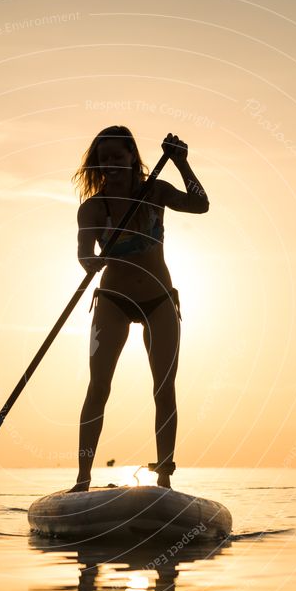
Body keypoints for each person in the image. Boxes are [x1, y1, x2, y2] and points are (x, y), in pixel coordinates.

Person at [70, 126, 209, 491]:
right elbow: (84, 251)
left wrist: (182, 163)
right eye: (104, 159)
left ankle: (164, 475)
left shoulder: (156, 191)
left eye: (118, 156)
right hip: (113, 302)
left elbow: (200, 204)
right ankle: (83, 480)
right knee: (98, 387)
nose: (111, 164)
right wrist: (90, 262)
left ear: (133, 156)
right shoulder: (93, 207)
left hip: (159, 300)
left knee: (164, 388)